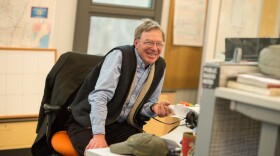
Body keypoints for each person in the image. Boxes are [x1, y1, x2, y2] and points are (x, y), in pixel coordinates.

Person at [67, 18, 172, 155]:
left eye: (159, 44)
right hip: (89, 123)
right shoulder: (120, 56)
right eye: (149, 42)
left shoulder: (159, 66)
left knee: (149, 150)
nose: (154, 48)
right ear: (136, 43)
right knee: (99, 155)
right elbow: (100, 97)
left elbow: (145, 105)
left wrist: (154, 108)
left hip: (121, 126)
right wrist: (99, 135)